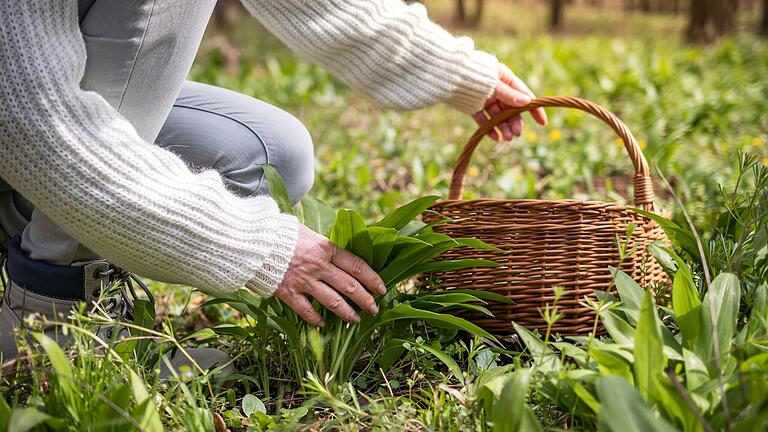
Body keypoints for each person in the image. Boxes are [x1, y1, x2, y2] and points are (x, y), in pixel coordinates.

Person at [0, 0, 546, 366]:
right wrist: (259, 248)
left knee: (268, 150)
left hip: (36, 104)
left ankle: (21, 233)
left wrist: (451, 69)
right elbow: (26, 120)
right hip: (25, 111)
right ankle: (51, 318)